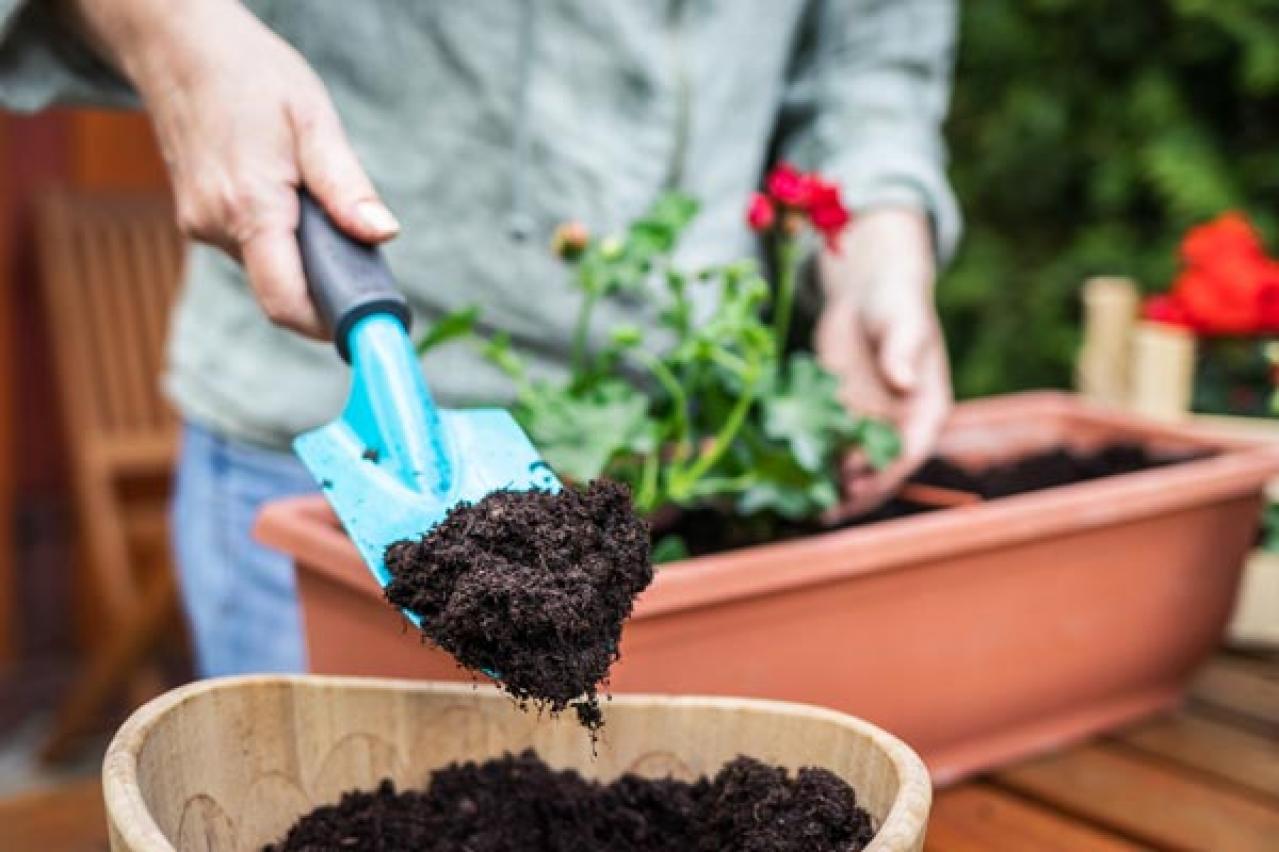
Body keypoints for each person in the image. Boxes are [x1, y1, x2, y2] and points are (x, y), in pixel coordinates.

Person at [0, 0, 960, 675]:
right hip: (314, 457)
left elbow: (873, 51)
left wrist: (879, 246)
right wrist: (174, 35)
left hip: (667, 468)